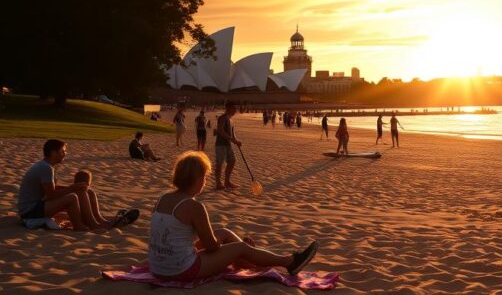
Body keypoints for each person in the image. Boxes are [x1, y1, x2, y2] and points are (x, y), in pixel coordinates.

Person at [148, 151, 318, 281]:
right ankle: (289, 261)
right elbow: (212, 247)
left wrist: (226, 245)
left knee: (224, 232)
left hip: (158, 266)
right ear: (198, 179)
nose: (205, 181)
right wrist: (237, 248)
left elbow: (175, 235)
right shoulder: (194, 206)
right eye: (205, 177)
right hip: (179, 269)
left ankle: (246, 260)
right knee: (240, 248)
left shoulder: (163, 198)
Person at [17, 139, 139, 231]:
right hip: (30, 211)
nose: (65, 153)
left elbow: (51, 190)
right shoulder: (46, 168)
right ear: (54, 153)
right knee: (72, 197)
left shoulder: (47, 166)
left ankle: (100, 221)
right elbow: (51, 194)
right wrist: (72, 189)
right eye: (63, 151)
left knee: (87, 191)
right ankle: (84, 226)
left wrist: (74, 188)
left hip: (38, 205)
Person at [215, 102, 242, 191]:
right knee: (220, 163)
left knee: (232, 161)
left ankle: (227, 181)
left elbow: (232, 133)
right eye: (234, 108)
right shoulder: (222, 118)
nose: (235, 110)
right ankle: (218, 183)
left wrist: (236, 141)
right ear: (228, 108)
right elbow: (220, 130)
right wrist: (231, 139)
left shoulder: (231, 119)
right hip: (220, 144)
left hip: (228, 144)